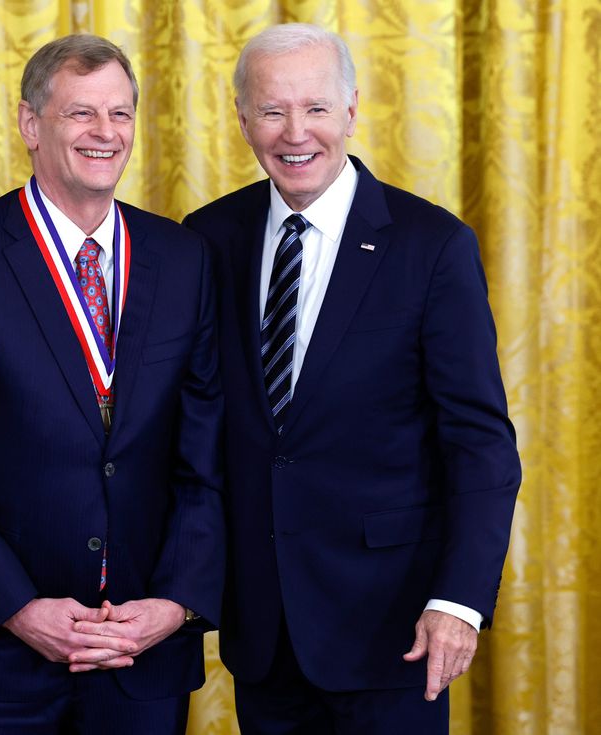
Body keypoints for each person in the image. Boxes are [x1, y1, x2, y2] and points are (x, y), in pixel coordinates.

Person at [183, 23, 521, 734]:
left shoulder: (432, 246)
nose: (294, 132)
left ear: (351, 110)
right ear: (243, 118)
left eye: (315, 108)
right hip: (265, 628)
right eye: (272, 111)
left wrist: (458, 601)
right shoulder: (208, 238)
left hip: (395, 629)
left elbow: (481, 442)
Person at [0, 33, 224, 734]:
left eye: (121, 114)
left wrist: (177, 602)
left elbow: (207, 455)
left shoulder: (184, 259)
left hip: (141, 657)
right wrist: (16, 607)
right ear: (31, 125)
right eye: (81, 114)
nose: (106, 133)